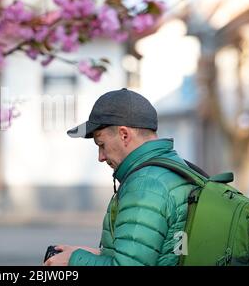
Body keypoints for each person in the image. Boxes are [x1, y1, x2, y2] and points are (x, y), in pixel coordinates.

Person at [44, 88, 196, 266]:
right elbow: (161, 253)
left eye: (102, 144)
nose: (100, 157)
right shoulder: (175, 168)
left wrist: (74, 261)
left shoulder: (146, 185)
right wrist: (94, 254)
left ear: (124, 135)